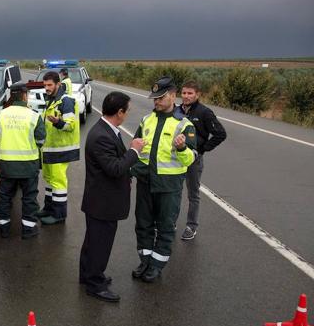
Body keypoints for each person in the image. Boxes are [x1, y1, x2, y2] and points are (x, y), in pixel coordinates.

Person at [131, 76, 197, 283]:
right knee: (143, 224)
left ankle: (157, 266)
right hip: (145, 182)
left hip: (169, 186)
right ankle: (145, 260)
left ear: (172, 96)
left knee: (166, 227)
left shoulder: (184, 125)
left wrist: (182, 148)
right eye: (154, 98)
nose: (156, 102)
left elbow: (190, 159)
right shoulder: (146, 120)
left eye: (160, 98)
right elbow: (136, 149)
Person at [80, 92, 145, 302]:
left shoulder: (107, 130)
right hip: (102, 202)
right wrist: (134, 152)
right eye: (127, 110)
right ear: (119, 112)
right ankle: (95, 284)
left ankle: (87, 274)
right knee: (100, 243)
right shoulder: (101, 136)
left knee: (93, 241)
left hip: (100, 200)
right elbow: (115, 168)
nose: (128, 114)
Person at [0, 82, 46, 239]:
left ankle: (4, 229)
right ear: (24, 96)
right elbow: (41, 140)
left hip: (7, 165)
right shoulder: (34, 115)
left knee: (5, 196)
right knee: (29, 197)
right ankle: (28, 230)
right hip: (29, 165)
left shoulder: (1, 115)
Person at [175, 80, 227, 240]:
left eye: (190, 93)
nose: (186, 96)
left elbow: (220, 134)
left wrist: (202, 149)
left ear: (197, 95)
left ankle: (191, 226)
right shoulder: (176, 111)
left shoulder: (205, 112)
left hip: (193, 160)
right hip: (176, 158)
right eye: (184, 93)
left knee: (193, 194)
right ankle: (170, 223)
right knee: (174, 192)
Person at [37, 71, 80, 225]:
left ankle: (59, 215)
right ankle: (48, 209)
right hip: (49, 148)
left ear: (58, 84)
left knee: (58, 182)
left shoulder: (65, 101)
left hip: (60, 150)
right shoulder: (51, 100)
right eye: (45, 85)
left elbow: (70, 125)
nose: (46, 88)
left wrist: (57, 122)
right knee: (48, 180)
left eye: (49, 85)